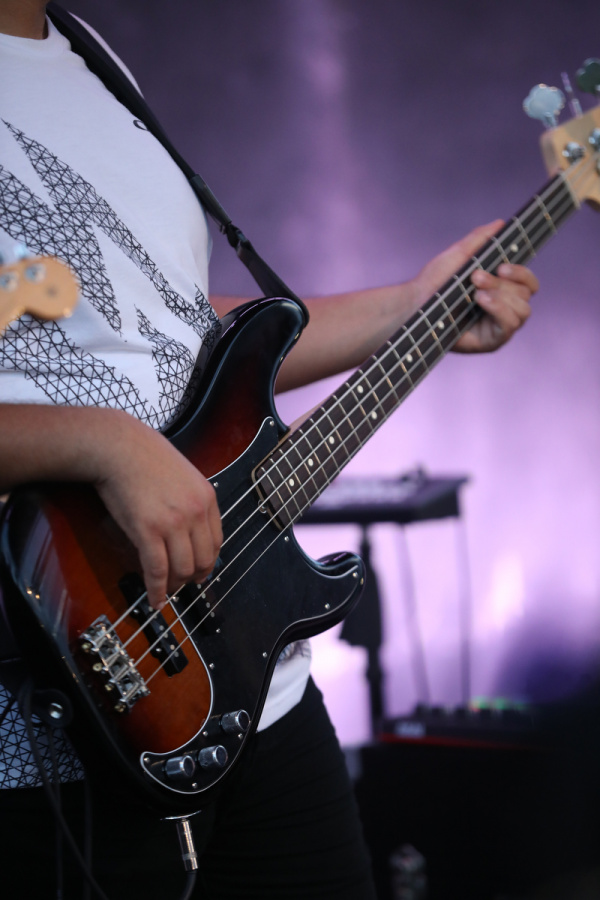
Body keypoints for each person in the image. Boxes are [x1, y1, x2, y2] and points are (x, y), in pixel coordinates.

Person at [0, 1, 538, 897]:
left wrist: (418, 306)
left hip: (250, 686)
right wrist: (103, 444)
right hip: (51, 735)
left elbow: (171, 329)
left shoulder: (89, 55)